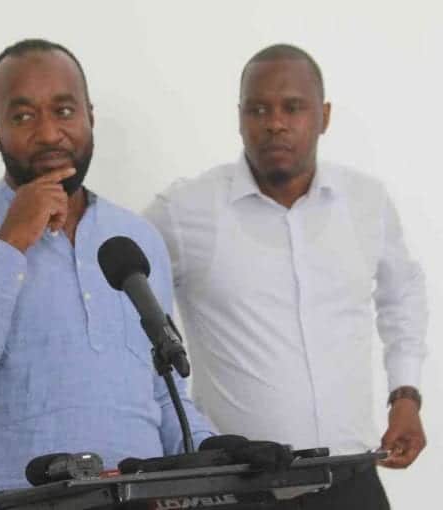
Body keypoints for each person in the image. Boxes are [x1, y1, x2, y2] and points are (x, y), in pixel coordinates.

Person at [0, 39, 215, 509]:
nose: (49, 133)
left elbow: (163, 394)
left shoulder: (135, 238)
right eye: (23, 116)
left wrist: (210, 449)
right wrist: (10, 242)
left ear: (89, 115)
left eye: (64, 110)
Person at [145, 44, 427, 509]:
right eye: (258, 109)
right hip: (241, 487)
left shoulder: (365, 203)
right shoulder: (186, 212)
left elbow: (403, 295)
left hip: (352, 478)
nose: (275, 122)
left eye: (293, 107)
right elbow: (121, 286)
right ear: (240, 118)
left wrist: (406, 395)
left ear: (324, 116)